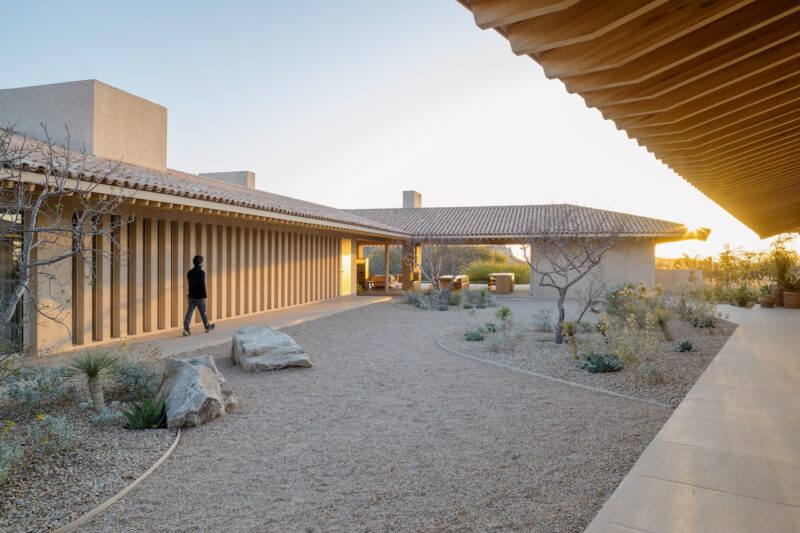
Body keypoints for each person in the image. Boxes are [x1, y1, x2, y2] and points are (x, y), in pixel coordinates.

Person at [183, 255, 215, 336]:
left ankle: (186, 330)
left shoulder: (189, 272)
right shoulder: (201, 273)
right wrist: (205, 296)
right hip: (200, 297)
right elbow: (202, 285)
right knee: (203, 312)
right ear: (200, 263)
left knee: (189, 313)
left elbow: (191, 284)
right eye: (202, 262)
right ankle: (207, 327)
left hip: (191, 296)